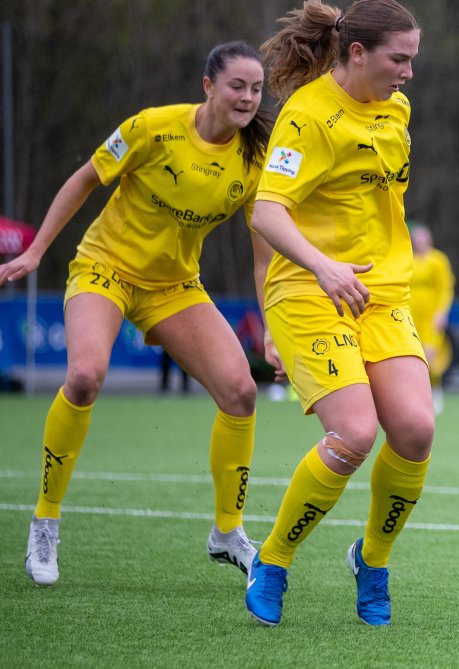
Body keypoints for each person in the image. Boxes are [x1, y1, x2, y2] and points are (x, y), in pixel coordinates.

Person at [0, 41, 281, 587]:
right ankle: (46, 521)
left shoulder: (256, 159)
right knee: (84, 377)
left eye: (256, 89)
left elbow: (263, 255)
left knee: (241, 392)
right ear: (208, 87)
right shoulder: (154, 127)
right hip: (105, 268)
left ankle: (227, 533)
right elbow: (85, 178)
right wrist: (35, 252)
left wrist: (270, 327)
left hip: (174, 287)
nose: (248, 97)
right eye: (237, 86)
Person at [244, 0, 432, 628]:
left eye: (412, 60)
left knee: (415, 429)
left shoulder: (397, 108)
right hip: (310, 290)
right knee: (354, 432)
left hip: (381, 294)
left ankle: (371, 561)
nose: (408, 73)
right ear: (357, 53)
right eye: (398, 59)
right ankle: (272, 560)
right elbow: (267, 211)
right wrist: (321, 267)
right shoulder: (307, 116)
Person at [409, 222, 455, 414]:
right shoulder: (407, 259)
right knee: (412, 358)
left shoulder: (438, 260)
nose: (420, 242)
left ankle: (435, 392)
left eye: (423, 238)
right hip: (410, 315)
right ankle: (414, 398)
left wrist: (442, 312)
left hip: (430, 317)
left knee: (430, 357)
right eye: (416, 238)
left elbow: (445, 288)